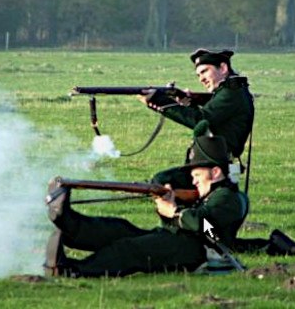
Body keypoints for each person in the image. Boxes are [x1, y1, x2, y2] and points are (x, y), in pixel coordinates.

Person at [43, 133, 250, 278]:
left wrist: (175, 211)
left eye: (197, 175)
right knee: (120, 230)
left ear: (215, 173)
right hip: (177, 242)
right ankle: (70, 225)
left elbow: (210, 231)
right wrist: (168, 201)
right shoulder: (209, 193)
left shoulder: (228, 198)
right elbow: (166, 180)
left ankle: (74, 271)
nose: (193, 181)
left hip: (196, 252)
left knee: (130, 249)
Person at [139, 48, 254, 188]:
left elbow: (201, 120)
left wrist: (159, 101)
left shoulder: (231, 92)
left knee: (163, 180)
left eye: (205, 71)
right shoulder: (229, 91)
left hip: (214, 166)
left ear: (223, 68)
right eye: (199, 75)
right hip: (212, 162)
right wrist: (190, 103)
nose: (201, 79)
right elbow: (212, 121)